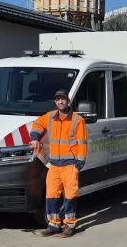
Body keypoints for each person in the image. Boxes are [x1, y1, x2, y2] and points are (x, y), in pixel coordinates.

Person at [29, 89, 87, 238]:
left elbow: (82, 143)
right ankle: (53, 224)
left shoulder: (77, 120)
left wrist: (78, 164)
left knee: (70, 196)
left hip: (70, 165)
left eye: (63, 99)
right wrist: (35, 137)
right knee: (51, 195)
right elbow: (36, 124)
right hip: (54, 165)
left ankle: (69, 225)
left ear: (68, 100)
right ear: (55, 102)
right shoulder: (50, 117)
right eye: (57, 99)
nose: (60, 102)